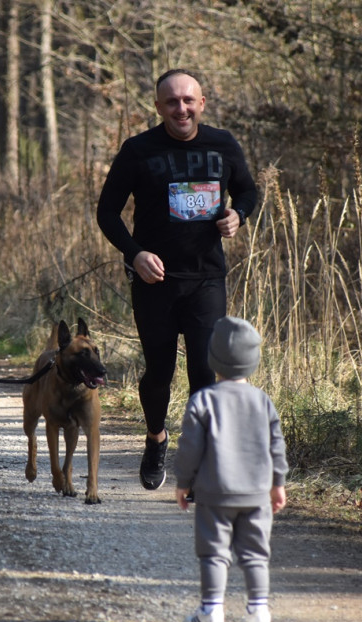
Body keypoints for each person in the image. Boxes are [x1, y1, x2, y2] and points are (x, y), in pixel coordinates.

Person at [96, 68, 258, 491]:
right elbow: (107, 212)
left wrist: (238, 214)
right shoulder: (138, 150)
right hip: (155, 282)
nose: (181, 108)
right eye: (172, 101)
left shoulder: (222, 145)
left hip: (206, 278)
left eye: (188, 100)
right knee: (159, 373)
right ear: (158, 107)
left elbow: (247, 191)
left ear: (202, 104)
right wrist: (135, 253)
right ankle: (155, 438)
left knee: (205, 370)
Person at [174, 316, 287, 622]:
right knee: (255, 554)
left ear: (213, 360)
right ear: (253, 361)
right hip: (256, 494)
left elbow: (189, 448)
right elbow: (276, 444)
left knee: (214, 553)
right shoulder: (262, 401)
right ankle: (259, 612)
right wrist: (278, 483)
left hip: (214, 494)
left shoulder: (203, 401)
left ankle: (211, 612)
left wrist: (183, 482)